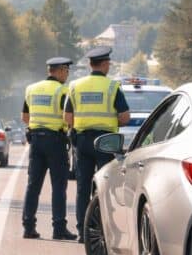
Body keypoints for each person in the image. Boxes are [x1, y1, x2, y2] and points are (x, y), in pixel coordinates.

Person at [65, 46, 130, 241]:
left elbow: (67, 117)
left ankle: (82, 231)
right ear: (103, 64)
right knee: (105, 186)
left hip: (83, 141)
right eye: (108, 63)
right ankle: (103, 230)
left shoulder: (75, 85)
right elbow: (125, 117)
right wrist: (110, 122)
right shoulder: (112, 86)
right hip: (105, 142)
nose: (109, 65)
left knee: (83, 187)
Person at [21, 56, 78, 240]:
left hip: (36, 141)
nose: (67, 75)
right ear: (60, 70)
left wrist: (39, 125)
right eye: (66, 71)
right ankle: (58, 228)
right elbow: (67, 116)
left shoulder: (31, 89)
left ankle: (28, 227)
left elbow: (24, 116)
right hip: (56, 142)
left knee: (33, 185)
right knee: (58, 187)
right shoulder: (62, 91)